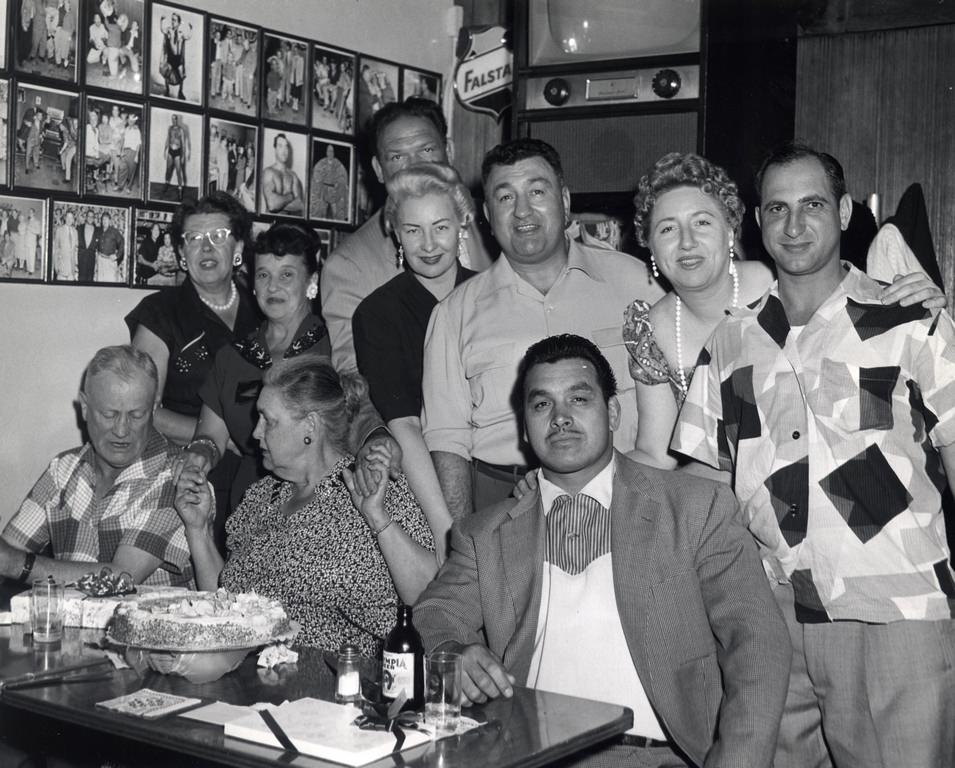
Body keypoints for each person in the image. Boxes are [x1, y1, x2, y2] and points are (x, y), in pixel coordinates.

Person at [671, 142, 955, 768]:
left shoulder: (908, 317)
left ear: (847, 211)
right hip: (772, 614)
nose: (794, 226)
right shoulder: (731, 337)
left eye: (813, 206)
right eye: (777, 209)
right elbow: (705, 481)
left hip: (892, 608)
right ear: (756, 220)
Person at [415, 334, 790, 767]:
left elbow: (757, 639)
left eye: (578, 399)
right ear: (523, 426)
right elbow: (435, 612)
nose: (560, 418)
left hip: (657, 756)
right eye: (541, 405)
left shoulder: (693, 509)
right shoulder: (484, 533)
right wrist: (454, 651)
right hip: (526, 753)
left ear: (612, 412)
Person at [622, 152, 945, 470]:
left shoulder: (785, 283)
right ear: (647, 242)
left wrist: (919, 300)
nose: (687, 242)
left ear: (731, 230)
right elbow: (659, 454)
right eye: (667, 229)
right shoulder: (651, 328)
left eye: (702, 222)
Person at [421, 138, 663, 518]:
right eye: (505, 198)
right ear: (486, 212)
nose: (522, 211)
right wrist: (463, 543)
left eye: (536, 191)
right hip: (505, 502)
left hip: (630, 496)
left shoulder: (635, 283)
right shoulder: (453, 315)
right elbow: (447, 441)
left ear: (564, 200)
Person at [175, 356, 437, 654]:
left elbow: (432, 600)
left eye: (268, 421)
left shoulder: (373, 484)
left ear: (310, 426)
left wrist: (378, 519)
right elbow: (226, 610)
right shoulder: (260, 498)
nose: (255, 433)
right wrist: (198, 531)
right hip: (255, 678)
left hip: (344, 682)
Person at [353, 165, 476, 560]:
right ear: (396, 233)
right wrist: (445, 529)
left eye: (440, 227)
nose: (428, 244)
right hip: (426, 487)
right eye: (413, 230)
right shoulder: (377, 313)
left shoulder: (493, 294)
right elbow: (403, 424)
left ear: (462, 225)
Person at [321, 97, 492, 371]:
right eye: (398, 157)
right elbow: (359, 382)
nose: (415, 167)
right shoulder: (349, 267)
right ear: (378, 169)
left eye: (426, 150)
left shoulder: (492, 222)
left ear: (449, 150)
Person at [0, 345, 193, 588]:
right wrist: (9, 560)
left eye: (136, 415)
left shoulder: (175, 477)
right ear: (84, 407)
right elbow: (8, 552)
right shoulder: (62, 470)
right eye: (109, 414)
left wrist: (17, 564)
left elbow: (122, 578)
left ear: (153, 410)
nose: (122, 430)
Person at [262, 133, 304, 215]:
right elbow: (271, 204)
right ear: (275, 149)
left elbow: (300, 205)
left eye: (286, 146)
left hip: (289, 224)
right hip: (272, 224)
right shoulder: (268, 172)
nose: (284, 150)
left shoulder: (293, 175)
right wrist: (291, 196)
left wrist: (279, 202)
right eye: (280, 146)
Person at [309, 143, 348, 220]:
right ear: (326, 152)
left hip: (334, 191)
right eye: (329, 151)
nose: (330, 153)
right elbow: (316, 175)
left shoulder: (338, 163)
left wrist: (338, 183)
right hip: (323, 191)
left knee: (336, 212)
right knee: (321, 213)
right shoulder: (321, 163)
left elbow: (343, 176)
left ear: (334, 153)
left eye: (332, 151)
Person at [159, 13, 191, 100]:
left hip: (178, 58)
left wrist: (190, 29)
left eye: (175, 20)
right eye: (172, 19)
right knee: (167, 73)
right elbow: (162, 30)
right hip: (170, 57)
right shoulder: (169, 30)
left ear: (179, 22)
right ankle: (167, 90)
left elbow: (188, 37)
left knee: (181, 75)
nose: (172, 22)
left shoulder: (180, 33)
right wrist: (161, 21)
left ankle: (180, 92)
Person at [163, 113, 190, 201]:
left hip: (178, 152)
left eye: (174, 119)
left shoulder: (181, 130)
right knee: (168, 169)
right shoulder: (169, 128)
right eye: (171, 119)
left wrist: (183, 156)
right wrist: (165, 150)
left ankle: (180, 190)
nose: (173, 120)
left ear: (177, 120)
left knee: (179, 172)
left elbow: (184, 143)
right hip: (170, 151)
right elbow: (168, 139)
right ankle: (166, 183)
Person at [96, 211, 124, 282]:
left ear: (110, 221)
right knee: (100, 282)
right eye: (103, 219)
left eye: (106, 219)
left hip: (109, 261)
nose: (104, 221)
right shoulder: (99, 231)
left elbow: (122, 242)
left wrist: (117, 256)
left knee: (109, 283)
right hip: (100, 261)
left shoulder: (114, 231)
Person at [53, 208, 77, 280]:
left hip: (71, 270)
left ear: (73, 219)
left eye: (71, 218)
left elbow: (75, 250)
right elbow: (56, 249)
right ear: (65, 218)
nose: (69, 220)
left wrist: (75, 268)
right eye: (68, 217)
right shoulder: (59, 230)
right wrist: (56, 266)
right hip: (61, 268)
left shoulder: (75, 231)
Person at [57, 115, 77, 186]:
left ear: (64, 125)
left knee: (68, 158)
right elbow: (66, 143)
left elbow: (66, 143)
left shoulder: (71, 130)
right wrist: (62, 151)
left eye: (61, 126)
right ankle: (65, 169)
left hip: (76, 146)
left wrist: (61, 150)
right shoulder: (64, 132)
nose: (60, 128)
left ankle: (67, 178)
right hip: (71, 146)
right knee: (63, 155)